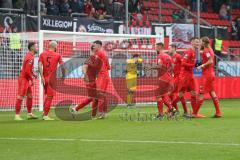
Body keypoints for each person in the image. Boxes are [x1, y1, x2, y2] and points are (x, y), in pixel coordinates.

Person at [172, 37, 201, 118]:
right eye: (196, 42)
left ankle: (194, 113)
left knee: (194, 93)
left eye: (198, 42)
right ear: (191, 42)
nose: (197, 44)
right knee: (180, 95)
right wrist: (193, 66)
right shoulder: (189, 51)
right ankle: (171, 107)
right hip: (185, 76)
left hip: (190, 75)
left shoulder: (194, 52)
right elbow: (183, 63)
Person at [70, 45, 102, 118]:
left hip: (93, 80)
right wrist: (85, 75)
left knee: (94, 98)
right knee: (94, 97)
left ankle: (78, 109)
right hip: (90, 80)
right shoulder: (91, 58)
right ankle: (76, 108)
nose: (99, 50)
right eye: (98, 48)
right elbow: (84, 67)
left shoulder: (96, 58)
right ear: (94, 49)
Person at [194, 37, 222, 118]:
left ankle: (195, 113)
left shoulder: (206, 50)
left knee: (201, 93)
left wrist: (201, 66)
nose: (200, 43)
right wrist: (197, 49)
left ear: (204, 42)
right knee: (212, 92)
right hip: (211, 73)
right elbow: (206, 54)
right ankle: (218, 112)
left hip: (207, 75)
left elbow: (210, 61)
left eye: (201, 42)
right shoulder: (210, 49)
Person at [38, 41, 65, 120]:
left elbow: (39, 65)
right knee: (50, 97)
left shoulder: (42, 54)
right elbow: (63, 66)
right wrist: (63, 76)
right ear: (55, 47)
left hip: (45, 78)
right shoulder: (58, 55)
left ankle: (44, 113)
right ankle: (46, 115)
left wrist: (42, 76)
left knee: (47, 97)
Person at [148, 42, 175, 119]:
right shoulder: (168, 56)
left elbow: (160, 66)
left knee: (158, 96)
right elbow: (172, 66)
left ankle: (161, 114)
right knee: (164, 96)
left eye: (156, 47)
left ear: (160, 47)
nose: (155, 49)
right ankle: (171, 110)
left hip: (162, 78)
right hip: (168, 78)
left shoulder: (161, 55)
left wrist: (151, 67)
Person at [14, 42, 38, 121]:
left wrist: (33, 75)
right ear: (32, 48)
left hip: (26, 78)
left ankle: (29, 114)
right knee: (21, 96)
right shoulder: (30, 57)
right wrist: (31, 79)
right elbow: (27, 71)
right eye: (36, 47)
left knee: (30, 96)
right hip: (24, 79)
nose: (37, 48)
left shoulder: (30, 56)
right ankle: (17, 115)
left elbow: (28, 69)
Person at [168, 44, 188, 117]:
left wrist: (182, 75)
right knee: (180, 95)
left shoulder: (178, 56)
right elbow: (173, 67)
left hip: (179, 77)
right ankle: (184, 111)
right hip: (175, 77)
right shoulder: (171, 57)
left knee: (170, 93)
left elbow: (184, 64)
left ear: (174, 48)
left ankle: (174, 110)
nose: (168, 50)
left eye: (169, 48)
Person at [93, 40, 110, 119]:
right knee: (102, 94)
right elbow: (108, 67)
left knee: (100, 94)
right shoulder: (103, 54)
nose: (93, 47)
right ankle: (104, 112)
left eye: (94, 45)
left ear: (99, 45)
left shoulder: (99, 53)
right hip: (104, 75)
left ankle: (100, 113)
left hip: (102, 76)